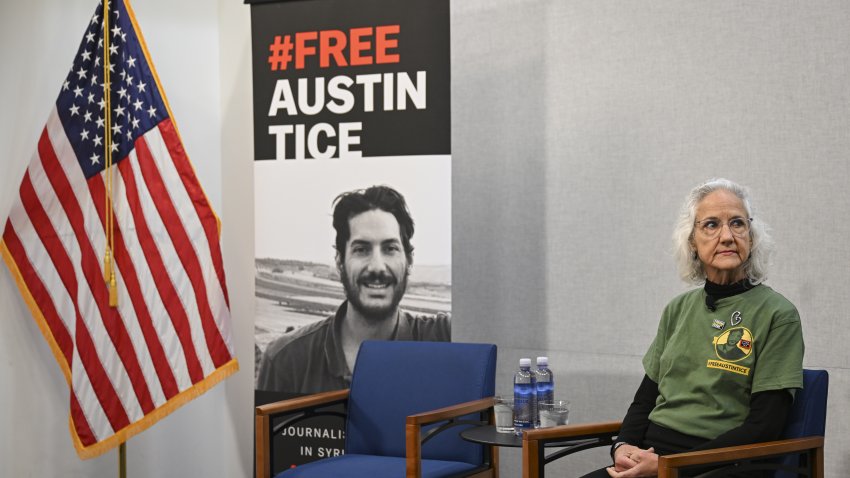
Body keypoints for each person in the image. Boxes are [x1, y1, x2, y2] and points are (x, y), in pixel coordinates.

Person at [582, 178, 804, 478]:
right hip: (652, 456)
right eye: (711, 225)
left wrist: (668, 467)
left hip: (720, 464)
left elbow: (764, 427)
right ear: (692, 242)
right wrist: (623, 445)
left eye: (737, 223)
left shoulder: (778, 314)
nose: (727, 236)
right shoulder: (677, 309)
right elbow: (645, 399)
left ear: (751, 237)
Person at [257, 185, 451, 394]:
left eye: (390, 249)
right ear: (340, 261)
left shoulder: (445, 339)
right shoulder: (286, 361)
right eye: (361, 249)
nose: (377, 266)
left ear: (409, 260)